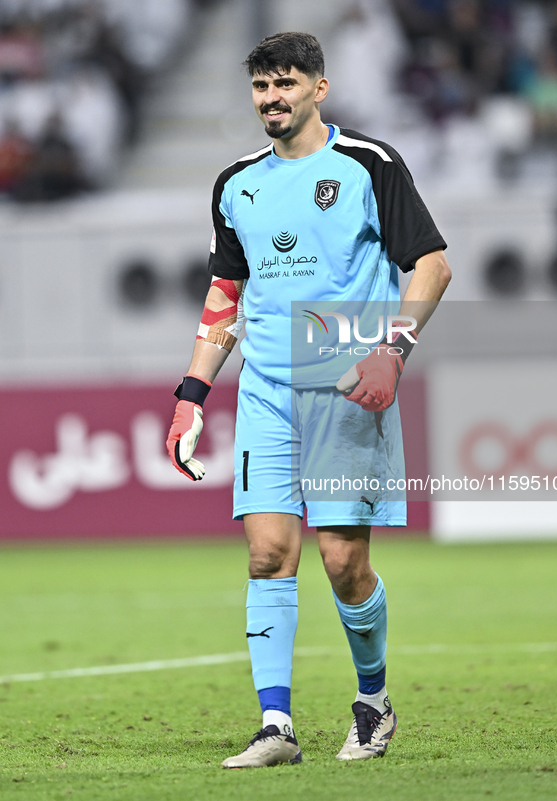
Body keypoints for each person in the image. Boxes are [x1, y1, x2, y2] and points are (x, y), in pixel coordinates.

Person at [166, 31, 451, 768]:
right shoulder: (235, 182)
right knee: (267, 553)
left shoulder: (368, 164)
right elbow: (225, 291)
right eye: (261, 87)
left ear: (318, 88)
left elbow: (431, 266)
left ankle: (372, 701)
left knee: (341, 561)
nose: (272, 98)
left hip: (348, 385)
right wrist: (191, 394)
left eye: (285, 84)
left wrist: (392, 349)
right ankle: (275, 725)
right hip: (265, 387)